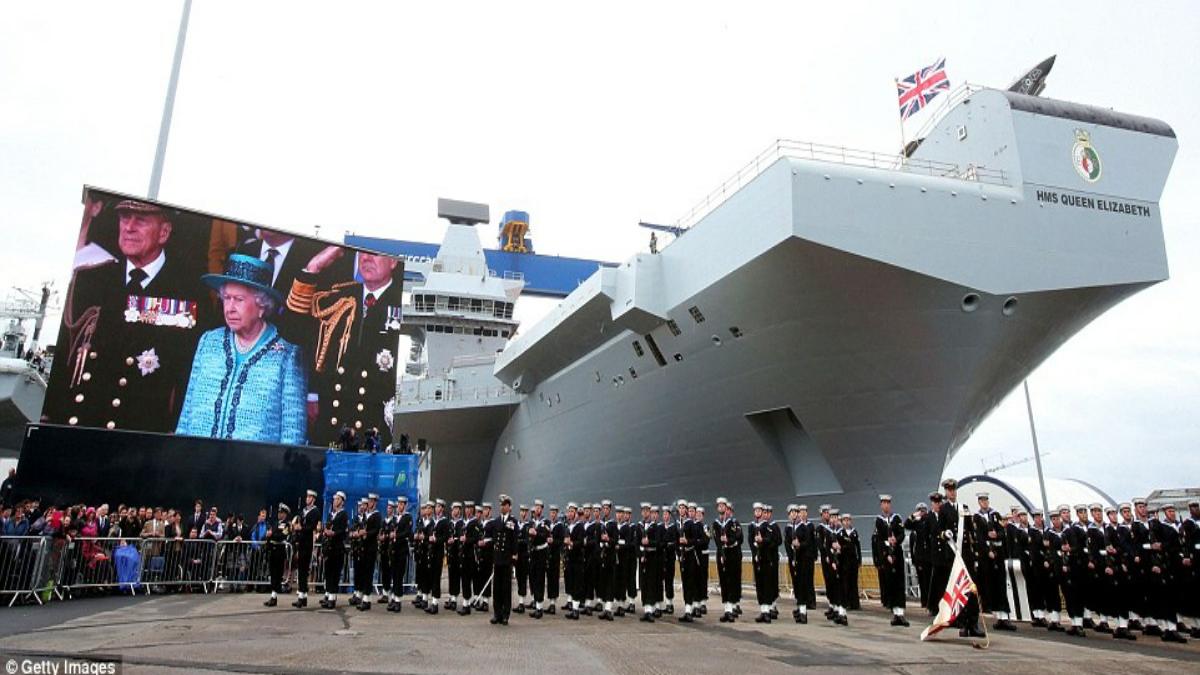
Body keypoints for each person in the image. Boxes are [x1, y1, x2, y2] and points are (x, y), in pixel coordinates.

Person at [45, 198, 206, 433]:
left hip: (138, 437)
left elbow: (185, 374)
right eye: (124, 218)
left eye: (140, 220)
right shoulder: (90, 279)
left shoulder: (189, 292)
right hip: (78, 425)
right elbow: (65, 357)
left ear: (164, 232)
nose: (128, 227)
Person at [175, 254, 307, 444]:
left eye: (239, 299)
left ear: (262, 305)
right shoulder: (208, 342)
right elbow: (186, 415)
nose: (229, 308)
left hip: (255, 470)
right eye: (226, 298)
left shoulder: (287, 354)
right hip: (199, 465)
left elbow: (292, 434)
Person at [286, 248, 403, 447]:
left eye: (374, 253)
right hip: (331, 431)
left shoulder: (404, 302)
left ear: (393, 261)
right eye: (362, 253)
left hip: (375, 438)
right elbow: (292, 330)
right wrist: (313, 267)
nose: (366, 258)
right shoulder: (341, 297)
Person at [873, 495, 908, 627]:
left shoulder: (896, 518)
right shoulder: (879, 521)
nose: (886, 505)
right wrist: (885, 554)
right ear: (881, 506)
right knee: (890, 584)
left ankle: (901, 613)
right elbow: (879, 540)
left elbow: (902, 533)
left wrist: (896, 540)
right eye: (884, 503)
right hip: (887, 556)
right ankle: (895, 613)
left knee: (899, 583)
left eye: (888, 503)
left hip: (897, 555)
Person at [485, 494, 518, 625]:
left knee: (506, 587)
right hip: (498, 558)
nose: (502, 507)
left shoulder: (513, 521)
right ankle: (497, 613)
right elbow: (491, 538)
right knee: (497, 588)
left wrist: (515, 554)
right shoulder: (496, 521)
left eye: (504, 505)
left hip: (507, 558)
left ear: (509, 507)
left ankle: (505, 614)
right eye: (501, 505)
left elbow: (514, 539)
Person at [715, 498, 743, 623]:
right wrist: (721, 550)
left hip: (732, 553)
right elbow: (716, 539)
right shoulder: (716, 523)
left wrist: (729, 540)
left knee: (732, 581)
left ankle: (731, 608)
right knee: (724, 581)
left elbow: (738, 536)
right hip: (722, 553)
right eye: (719, 505)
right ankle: (727, 609)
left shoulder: (733, 523)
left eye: (723, 506)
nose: (721, 508)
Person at [319, 492, 349, 609]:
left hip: (337, 548)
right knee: (328, 572)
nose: (334, 501)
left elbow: (343, 531)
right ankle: (328, 594)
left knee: (335, 574)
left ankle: (332, 597)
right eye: (334, 499)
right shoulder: (332, 514)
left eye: (337, 499)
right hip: (329, 548)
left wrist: (334, 533)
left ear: (342, 501)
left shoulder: (343, 515)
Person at [905, 498, 935, 611]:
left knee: (930, 580)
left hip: (929, 556)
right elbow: (906, 524)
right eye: (920, 510)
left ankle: (930, 601)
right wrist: (913, 516)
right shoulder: (916, 524)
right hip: (920, 557)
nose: (922, 512)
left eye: (923, 510)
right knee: (922, 580)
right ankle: (924, 601)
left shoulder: (928, 521)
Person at [292, 489, 320, 608]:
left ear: (313, 499)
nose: (307, 499)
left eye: (309, 497)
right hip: (301, 543)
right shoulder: (303, 511)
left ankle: (302, 595)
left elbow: (311, 527)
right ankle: (302, 596)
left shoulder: (315, 512)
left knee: (304, 570)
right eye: (307, 497)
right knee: (301, 570)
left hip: (308, 543)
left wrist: (300, 528)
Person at [387, 496, 413, 613]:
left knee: (399, 576)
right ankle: (393, 598)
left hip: (401, 550)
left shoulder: (407, 517)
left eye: (402, 504)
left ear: (405, 505)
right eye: (399, 504)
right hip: (394, 550)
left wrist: (396, 536)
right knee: (394, 575)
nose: (399, 506)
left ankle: (398, 600)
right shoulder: (395, 518)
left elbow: (407, 532)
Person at [263, 504, 291, 607]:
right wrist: (268, 537)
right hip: (272, 550)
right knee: (272, 573)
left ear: (285, 514)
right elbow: (271, 535)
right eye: (279, 512)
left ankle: (274, 596)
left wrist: (271, 534)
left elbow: (282, 536)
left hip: (279, 551)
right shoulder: (275, 523)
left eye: (281, 513)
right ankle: (273, 596)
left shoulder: (287, 525)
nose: (279, 514)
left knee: (277, 574)